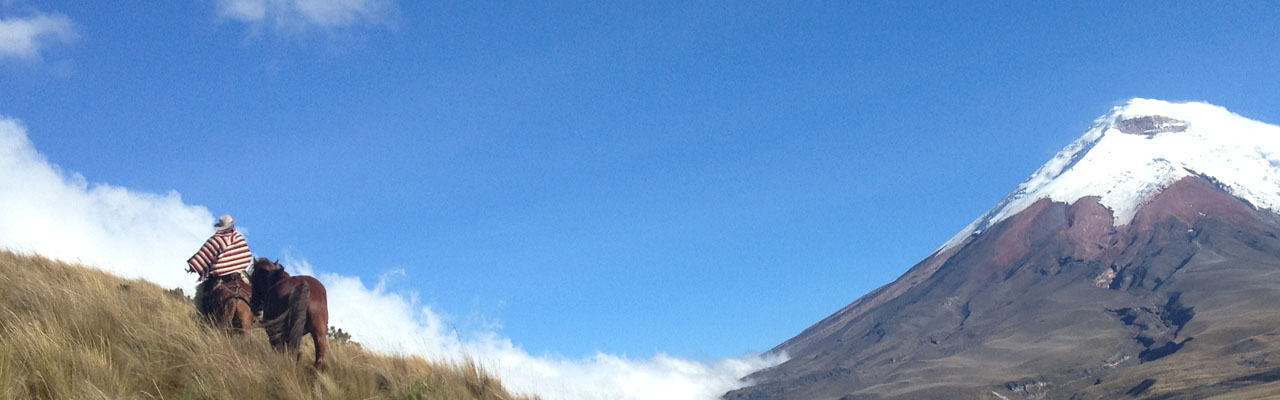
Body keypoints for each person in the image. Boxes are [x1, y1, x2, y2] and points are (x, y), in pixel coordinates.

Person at [187, 214, 253, 316]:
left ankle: (201, 317)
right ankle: (257, 315)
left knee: (200, 295)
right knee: (253, 290)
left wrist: (193, 267)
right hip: (239, 273)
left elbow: (204, 255)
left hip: (221, 276)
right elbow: (246, 255)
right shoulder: (239, 237)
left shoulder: (216, 239)